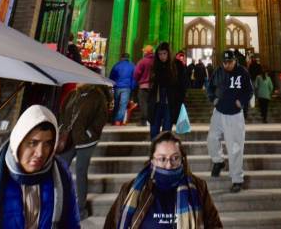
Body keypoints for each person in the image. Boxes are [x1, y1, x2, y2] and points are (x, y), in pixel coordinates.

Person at [104, 130, 222, 228]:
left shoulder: (199, 187)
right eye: (162, 159)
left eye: (175, 158)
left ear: (182, 159)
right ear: (152, 160)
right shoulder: (130, 189)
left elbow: (214, 225)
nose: (169, 165)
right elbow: (111, 225)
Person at [59, 84, 110, 220]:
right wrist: (63, 128)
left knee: (80, 171)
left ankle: (81, 209)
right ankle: (60, 203)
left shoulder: (97, 96)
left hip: (87, 141)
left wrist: (89, 133)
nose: (80, 82)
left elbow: (102, 117)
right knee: (60, 167)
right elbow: (63, 112)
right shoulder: (72, 94)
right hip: (70, 139)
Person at [206, 49, 253, 192]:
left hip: (234, 114)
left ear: (235, 61)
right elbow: (210, 87)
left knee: (235, 148)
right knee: (212, 139)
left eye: (230, 62)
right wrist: (213, 98)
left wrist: (242, 101)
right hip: (219, 112)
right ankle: (218, 161)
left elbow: (249, 90)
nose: (227, 65)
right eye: (225, 62)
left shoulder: (242, 72)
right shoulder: (218, 71)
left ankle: (237, 179)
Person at [148, 41, 187, 138]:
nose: (162, 56)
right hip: (157, 103)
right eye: (160, 54)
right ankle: (155, 151)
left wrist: (179, 101)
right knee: (154, 130)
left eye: (164, 53)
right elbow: (152, 84)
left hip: (169, 103)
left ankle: (164, 151)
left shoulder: (177, 65)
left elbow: (182, 85)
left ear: (169, 53)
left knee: (166, 131)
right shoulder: (156, 66)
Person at [109, 52, 136, 125]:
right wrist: (132, 87)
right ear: (128, 58)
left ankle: (113, 119)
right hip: (127, 87)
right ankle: (118, 120)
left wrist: (112, 85)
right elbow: (134, 78)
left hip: (117, 87)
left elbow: (111, 77)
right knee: (123, 104)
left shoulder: (116, 65)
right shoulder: (132, 66)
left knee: (116, 104)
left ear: (121, 57)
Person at [133, 45, 155, 126]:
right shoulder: (156, 61)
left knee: (143, 104)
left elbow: (136, 73)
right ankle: (151, 120)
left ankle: (143, 121)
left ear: (146, 52)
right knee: (151, 103)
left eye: (144, 51)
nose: (143, 52)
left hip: (143, 86)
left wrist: (139, 80)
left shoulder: (143, 61)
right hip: (153, 86)